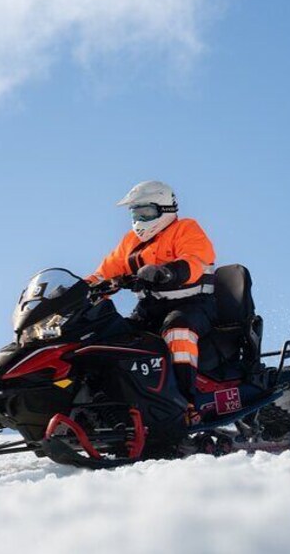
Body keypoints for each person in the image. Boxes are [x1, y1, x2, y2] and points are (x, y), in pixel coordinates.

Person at [87, 181, 216, 426]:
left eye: (145, 212)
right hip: (150, 309)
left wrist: (168, 272)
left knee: (178, 332)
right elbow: (106, 271)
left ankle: (187, 404)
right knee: (112, 338)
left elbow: (196, 260)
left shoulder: (185, 229)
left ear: (165, 209)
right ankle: (111, 403)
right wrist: (81, 288)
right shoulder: (130, 242)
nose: (139, 220)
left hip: (193, 304)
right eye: (135, 213)